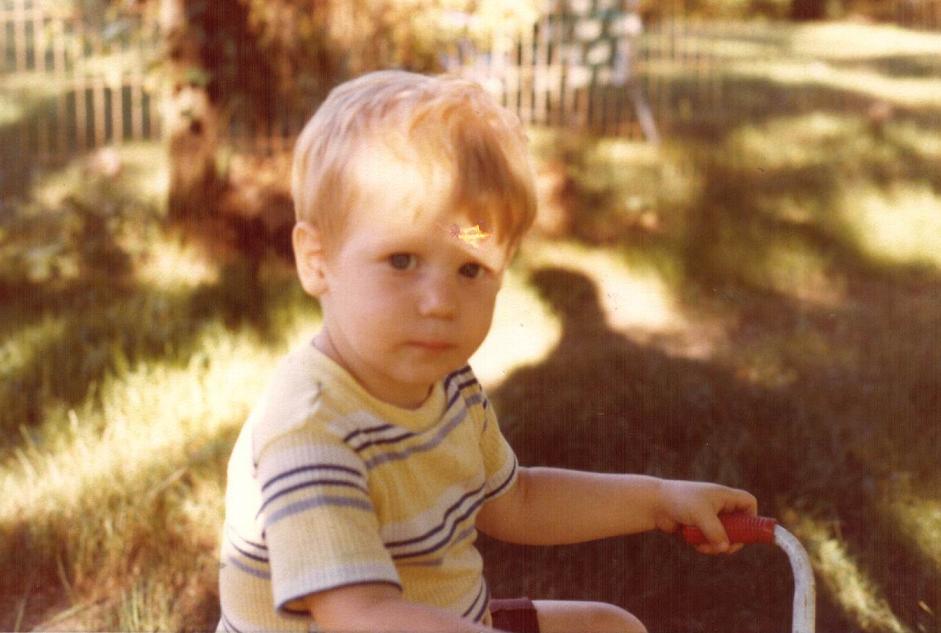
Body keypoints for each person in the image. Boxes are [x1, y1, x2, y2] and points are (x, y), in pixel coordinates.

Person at [216, 70, 758, 633]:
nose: (440, 302)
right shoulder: (309, 431)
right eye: (402, 260)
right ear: (317, 261)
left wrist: (659, 500)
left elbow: (517, 500)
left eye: (470, 268)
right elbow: (362, 617)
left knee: (610, 628)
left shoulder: (448, 382)